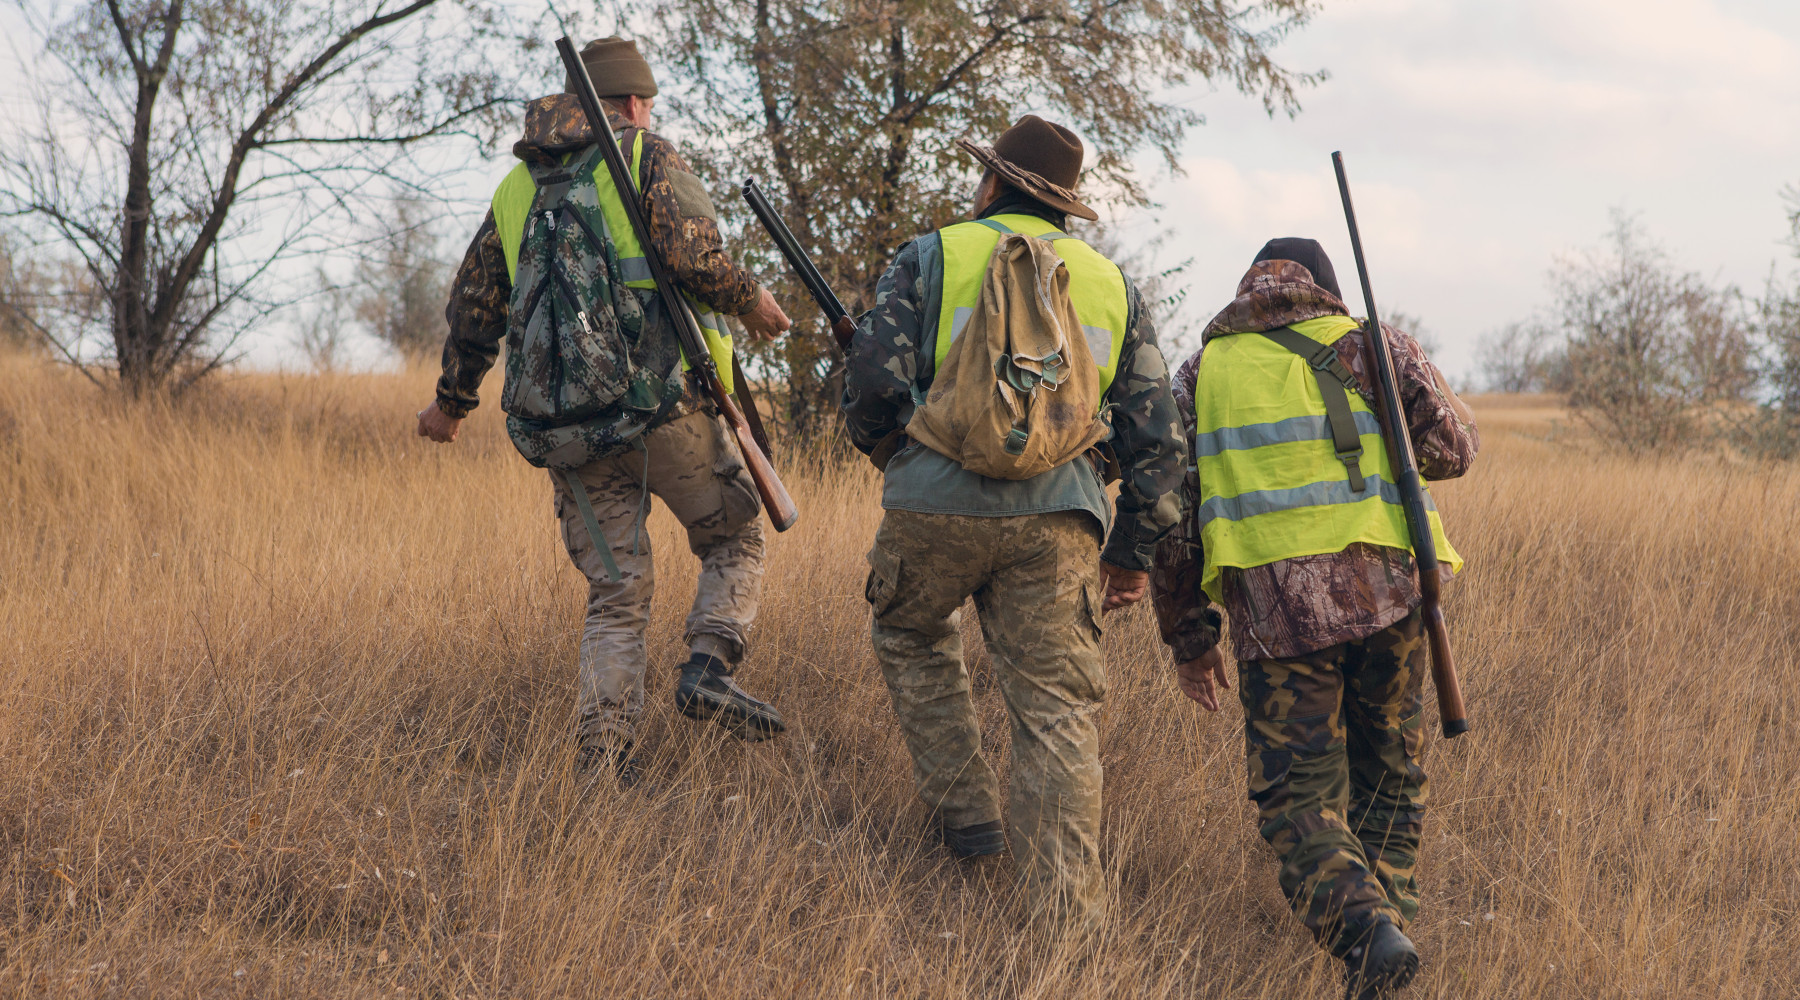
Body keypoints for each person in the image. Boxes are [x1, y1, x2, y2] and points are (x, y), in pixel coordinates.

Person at [415, 37, 794, 782]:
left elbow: (475, 307)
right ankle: (708, 667)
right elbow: (696, 259)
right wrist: (754, 302)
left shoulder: (514, 188)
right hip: (666, 413)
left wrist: (451, 404)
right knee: (734, 541)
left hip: (565, 433)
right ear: (632, 102)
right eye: (646, 100)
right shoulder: (649, 154)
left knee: (617, 595)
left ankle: (603, 763)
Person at [841, 115, 1185, 929]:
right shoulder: (1111, 285)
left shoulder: (932, 255)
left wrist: (903, 458)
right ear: (1064, 206)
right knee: (1057, 713)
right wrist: (1131, 553)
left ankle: (968, 818)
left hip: (932, 506)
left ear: (991, 183)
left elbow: (869, 385)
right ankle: (1067, 926)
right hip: (1060, 521)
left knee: (911, 634)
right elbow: (1158, 437)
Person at [1151, 239, 1479, 998]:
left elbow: (1172, 515)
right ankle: (1382, 930)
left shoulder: (1202, 374)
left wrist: (1191, 638)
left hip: (1278, 615)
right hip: (1391, 597)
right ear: (1325, 289)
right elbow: (1454, 453)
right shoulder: (1376, 343)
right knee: (1390, 775)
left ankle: (1367, 939)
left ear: (1248, 286)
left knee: (1298, 797)